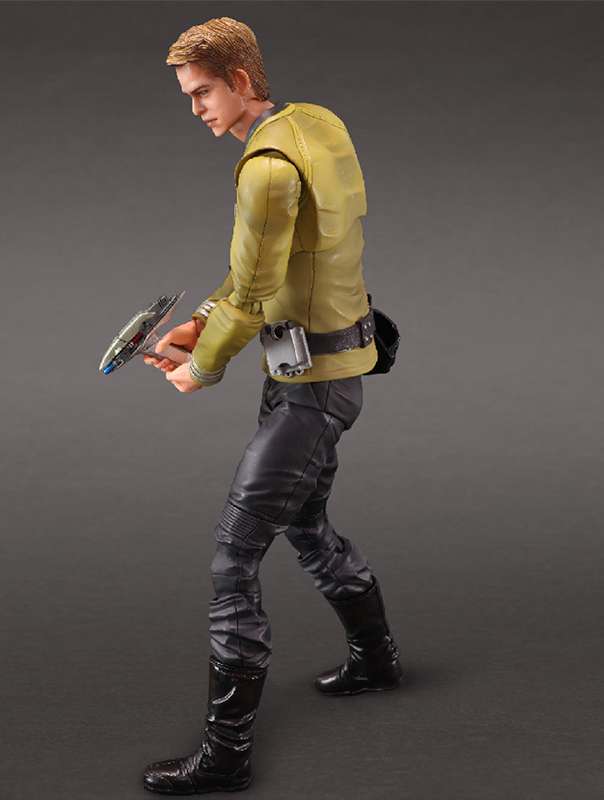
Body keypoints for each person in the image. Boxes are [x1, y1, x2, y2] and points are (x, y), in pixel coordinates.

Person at [142, 16, 402, 795]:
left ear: (242, 80)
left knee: (234, 556)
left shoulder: (264, 169)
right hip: (328, 366)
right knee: (305, 521)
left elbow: (254, 293)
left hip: (311, 390)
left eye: (202, 92)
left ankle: (226, 756)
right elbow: (268, 267)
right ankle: (377, 661)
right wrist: (199, 323)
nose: (195, 108)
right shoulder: (314, 124)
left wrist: (201, 367)